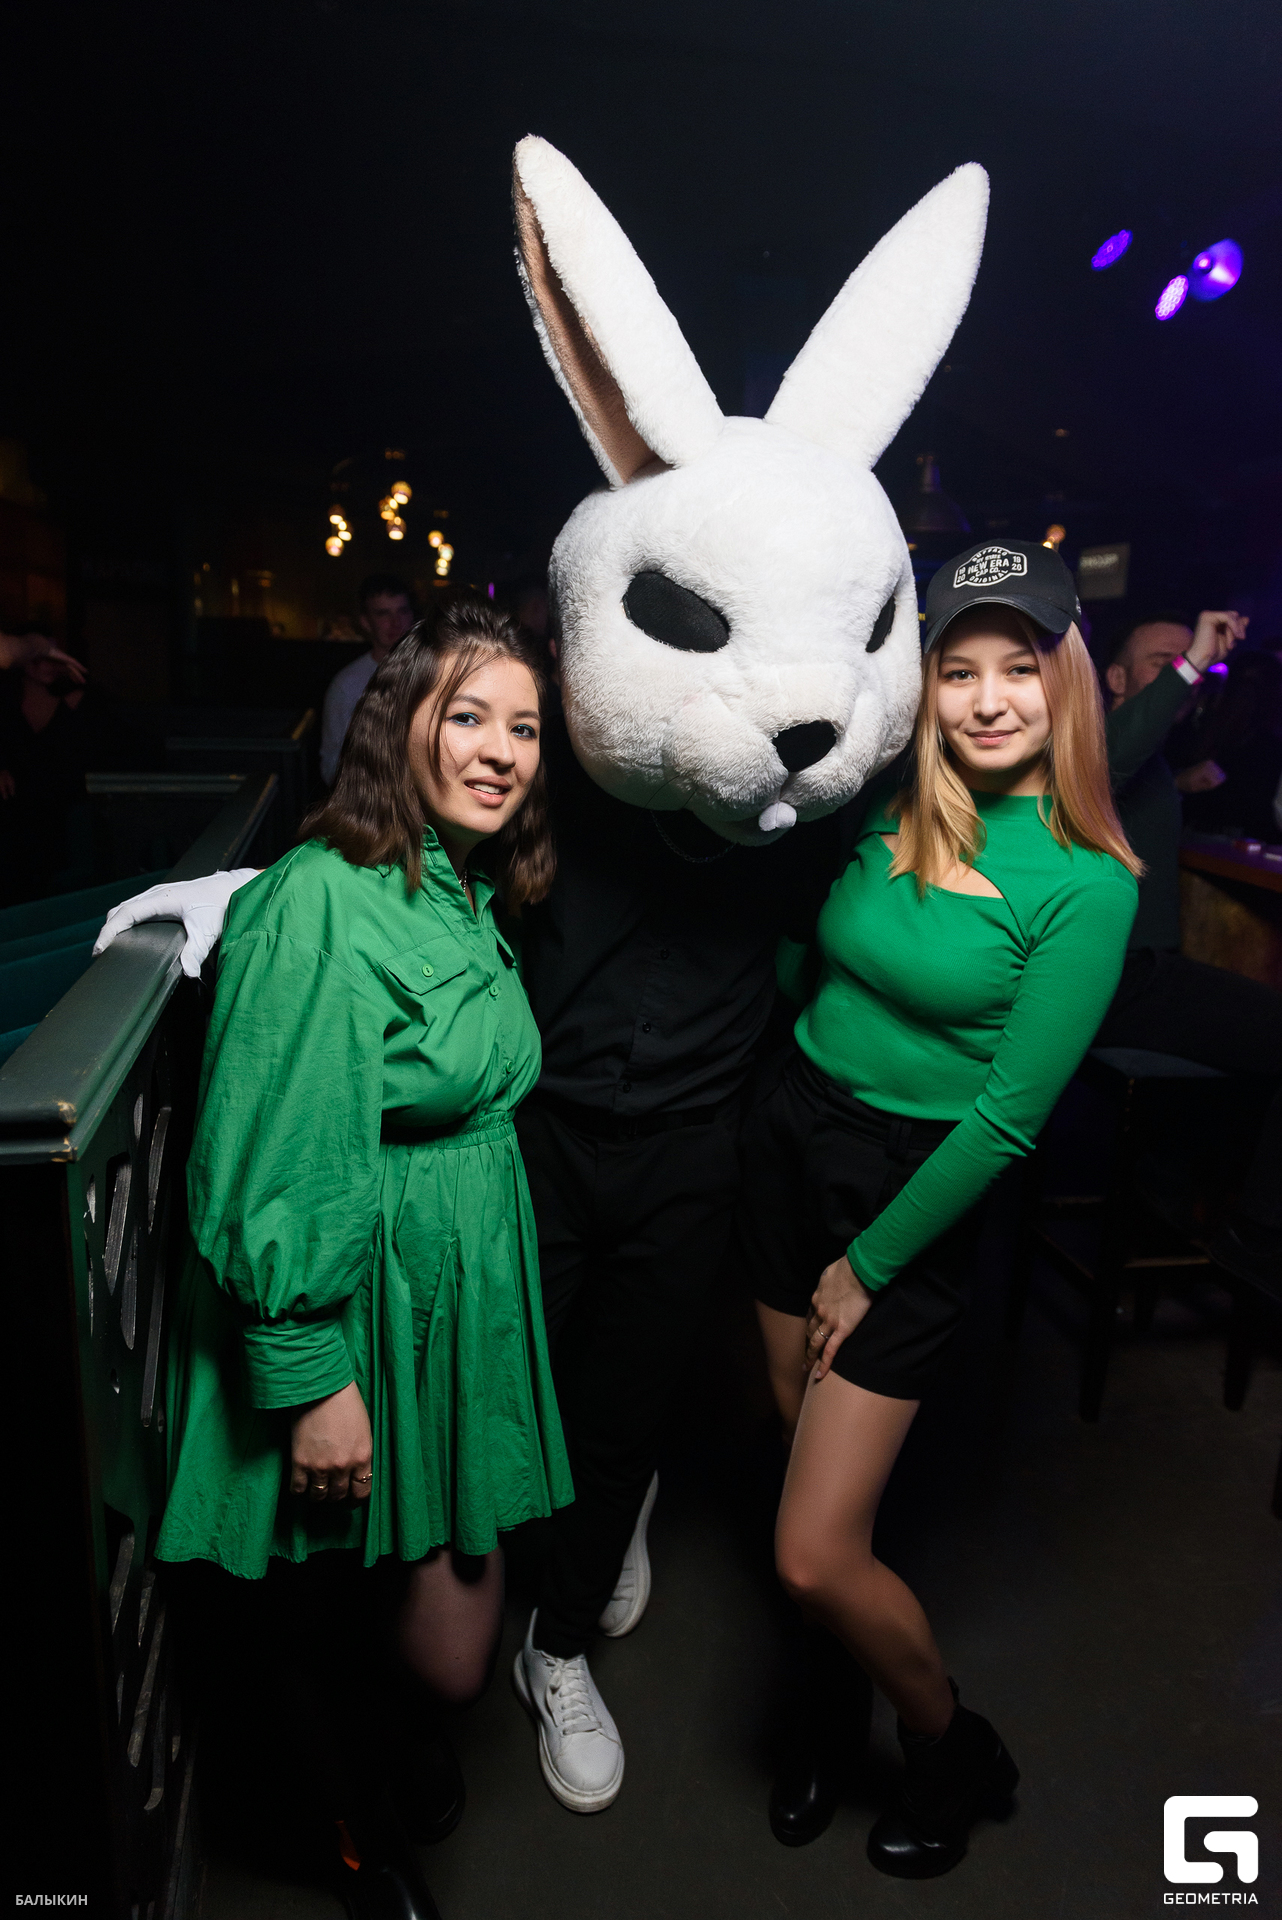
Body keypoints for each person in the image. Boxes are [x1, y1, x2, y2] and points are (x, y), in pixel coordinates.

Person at [156, 600, 571, 1920]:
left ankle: (386, 1752)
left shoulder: (462, 884)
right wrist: (310, 1374)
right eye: (469, 716)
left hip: (443, 1303)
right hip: (350, 1302)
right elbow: (273, 1154)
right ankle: (351, 1835)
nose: (501, 750)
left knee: (443, 1646)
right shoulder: (319, 900)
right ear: (399, 724)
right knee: (317, 1603)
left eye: (525, 727)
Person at [737, 540, 1141, 1879]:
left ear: (1062, 685)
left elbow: (1007, 1122)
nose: (984, 701)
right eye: (956, 672)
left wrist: (868, 1262)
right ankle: (824, 1708)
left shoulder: (1085, 883)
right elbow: (806, 955)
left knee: (812, 1551)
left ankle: (949, 1744)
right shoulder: (885, 807)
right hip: (792, 1139)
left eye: (1015, 670)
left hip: (910, 1194)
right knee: (790, 1457)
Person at [1096, 612, 1282, 1285]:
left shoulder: (1152, 758)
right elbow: (1111, 757)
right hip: (1113, 979)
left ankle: (1163, 1201)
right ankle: (1256, 1238)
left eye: (1190, 663)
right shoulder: (1089, 741)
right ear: (1115, 679)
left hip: (1140, 975)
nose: (1185, 672)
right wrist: (1197, 656)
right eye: (1162, 661)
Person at [319, 573, 417, 785]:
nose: (395, 622)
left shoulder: (435, 673)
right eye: (383, 614)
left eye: (402, 611)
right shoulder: (347, 685)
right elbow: (331, 767)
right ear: (365, 622)